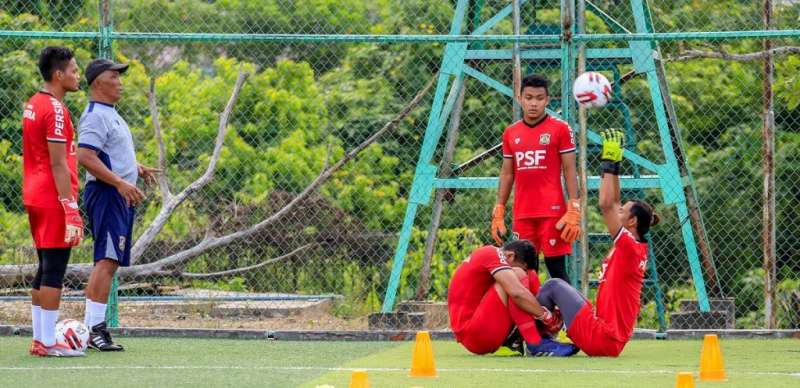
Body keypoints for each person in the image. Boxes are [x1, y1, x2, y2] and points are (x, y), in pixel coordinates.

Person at [535, 129, 660, 357]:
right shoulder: (634, 245)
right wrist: (615, 163)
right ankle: (547, 336)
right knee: (564, 290)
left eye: (622, 212)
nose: (618, 210)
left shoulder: (629, 247)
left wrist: (608, 162)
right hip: (605, 335)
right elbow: (614, 201)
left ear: (631, 221)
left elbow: (606, 204)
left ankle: (538, 343)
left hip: (602, 337)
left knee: (552, 286)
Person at [77, 59, 160, 351]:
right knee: (106, 260)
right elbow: (86, 156)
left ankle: (94, 329)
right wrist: (119, 182)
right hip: (108, 194)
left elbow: (108, 153)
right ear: (98, 82)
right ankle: (93, 330)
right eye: (114, 76)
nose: (120, 82)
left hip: (118, 194)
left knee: (111, 261)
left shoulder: (110, 114)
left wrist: (134, 168)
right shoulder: (95, 116)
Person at [22, 46, 84, 357]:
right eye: (73, 71)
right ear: (58, 75)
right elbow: (59, 163)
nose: (77, 76)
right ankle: (47, 342)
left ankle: (40, 339)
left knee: (45, 265)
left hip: (35, 193)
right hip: (52, 197)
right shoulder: (56, 109)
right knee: (55, 269)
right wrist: (70, 206)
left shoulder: (33, 103)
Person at [491, 74, 581, 283]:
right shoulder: (510, 133)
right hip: (522, 213)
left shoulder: (560, 129)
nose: (533, 103)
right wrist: (499, 209)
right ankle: (535, 316)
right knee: (523, 273)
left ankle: (569, 316)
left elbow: (569, 169)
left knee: (556, 270)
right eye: (529, 97)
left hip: (552, 213)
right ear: (520, 98)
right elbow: (507, 173)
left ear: (547, 100)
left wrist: (574, 206)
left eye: (539, 98)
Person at [447, 240, 578, 357]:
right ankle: (535, 343)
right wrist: (546, 316)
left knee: (529, 276)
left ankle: (539, 338)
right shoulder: (492, 252)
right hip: (474, 333)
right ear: (510, 255)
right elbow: (517, 293)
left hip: (479, 330)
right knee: (518, 275)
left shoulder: (494, 260)